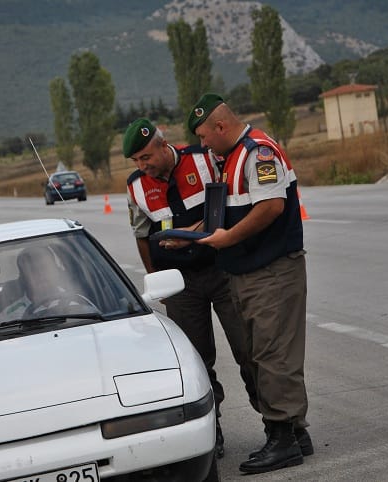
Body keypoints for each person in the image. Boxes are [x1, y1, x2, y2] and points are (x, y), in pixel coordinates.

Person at [186, 94, 313, 474]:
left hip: (271, 270)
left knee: (273, 355)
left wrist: (228, 240)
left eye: (205, 137)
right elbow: (225, 212)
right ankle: (294, 432)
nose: (203, 145)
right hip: (247, 272)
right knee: (262, 354)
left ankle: (283, 439)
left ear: (221, 127)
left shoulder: (258, 152)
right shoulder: (228, 159)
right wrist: (192, 234)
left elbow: (271, 207)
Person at [123, 117, 260, 459]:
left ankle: (280, 424)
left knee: (250, 349)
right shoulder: (136, 186)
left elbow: (232, 204)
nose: (143, 166)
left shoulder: (204, 159)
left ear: (162, 142)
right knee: (197, 363)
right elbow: (141, 235)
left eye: (146, 157)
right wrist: (157, 281)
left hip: (222, 271)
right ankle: (212, 433)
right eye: (136, 161)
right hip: (179, 284)